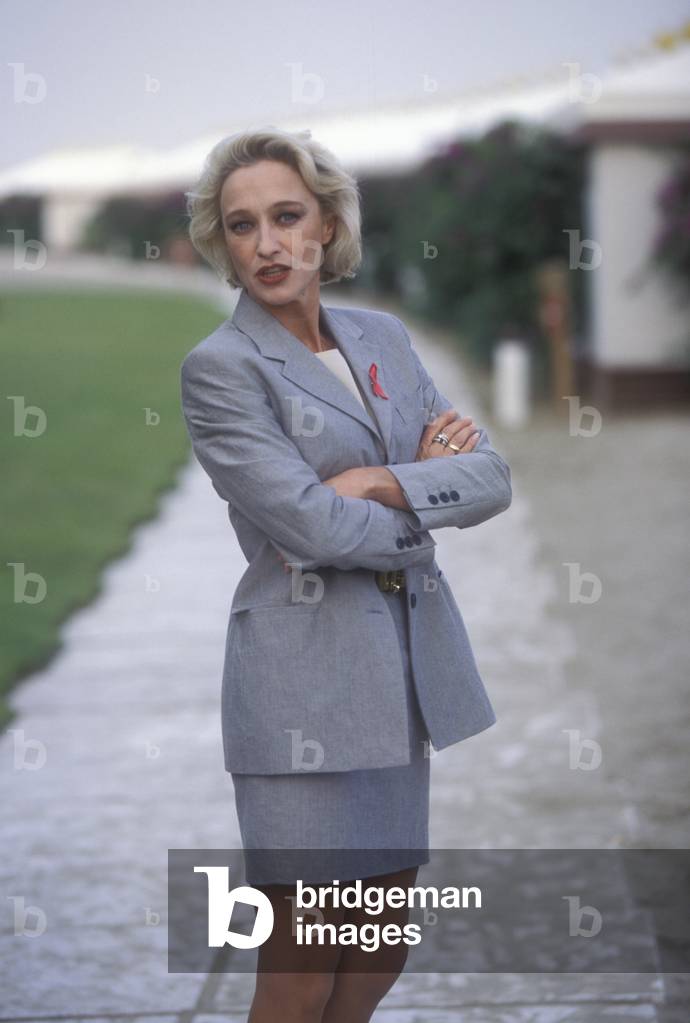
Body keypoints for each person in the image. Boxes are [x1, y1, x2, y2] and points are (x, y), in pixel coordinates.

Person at [180, 126, 512, 1022]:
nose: (268, 244)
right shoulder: (221, 370)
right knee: (301, 963)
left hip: (401, 682)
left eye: (287, 217)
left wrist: (376, 479)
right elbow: (308, 524)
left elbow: (490, 476)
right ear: (225, 242)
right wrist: (421, 506)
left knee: (379, 944)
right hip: (302, 696)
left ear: (326, 223)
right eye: (243, 225)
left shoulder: (383, 336)